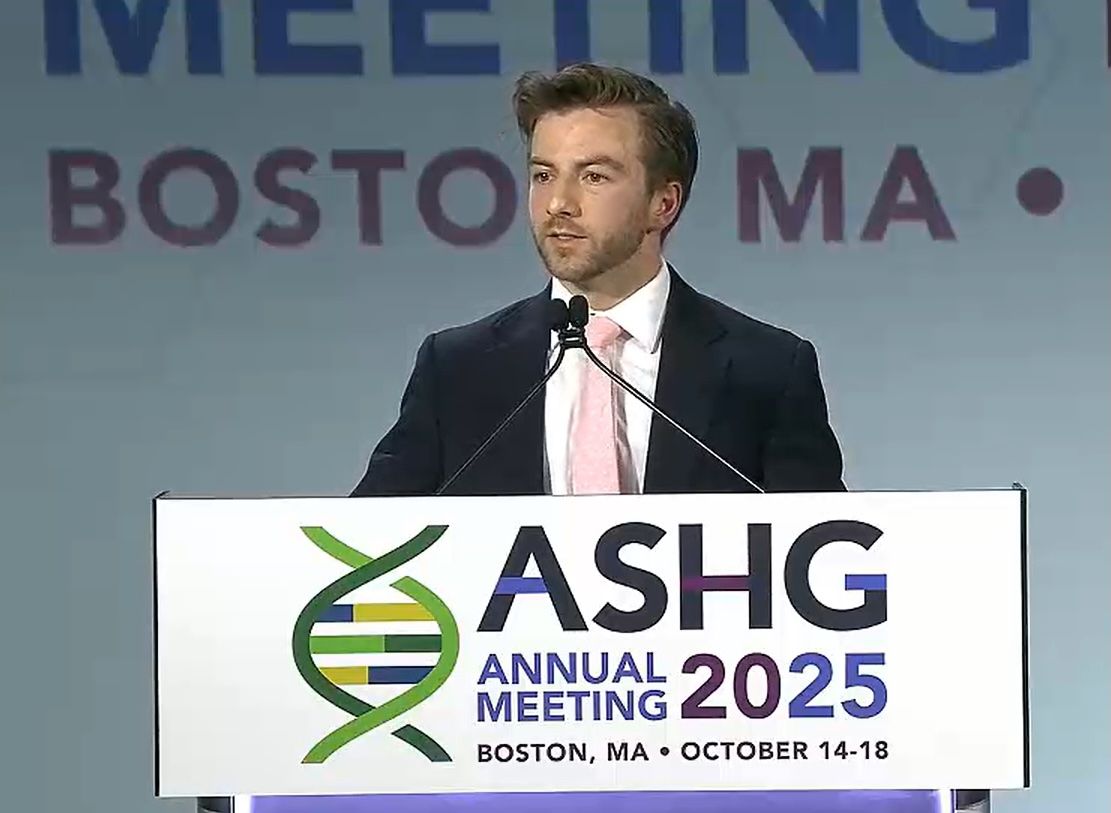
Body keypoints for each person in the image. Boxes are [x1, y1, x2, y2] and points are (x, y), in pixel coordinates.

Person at [351, 63, 845, 498]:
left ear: (663, 203)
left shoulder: (767, 371)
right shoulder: (456, 370)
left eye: (593, 176)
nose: (558, 203)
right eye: (544, 175)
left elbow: (831, 553)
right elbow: (363, 544)